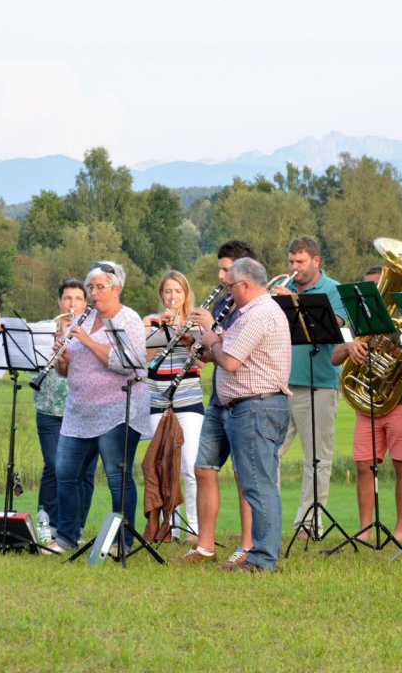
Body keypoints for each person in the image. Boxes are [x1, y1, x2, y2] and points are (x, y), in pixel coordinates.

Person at [187, 257, 292, 572]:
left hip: (256, 406)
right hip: (243, 405)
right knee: (254, 482)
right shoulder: (248, 313)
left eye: (231, 286)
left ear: (246, 284)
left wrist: (211, 338)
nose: (227, 292)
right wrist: (210, 348)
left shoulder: (258, 314)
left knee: (258, 484)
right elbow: (229, 356)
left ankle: (262, 558)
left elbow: (230, 361)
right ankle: (259, 554)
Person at [51, 261, 151, 552]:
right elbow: (67, 370)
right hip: (79, 411)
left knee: (117, 477)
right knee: (66, 473)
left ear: (116, 288)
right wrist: (61, 360)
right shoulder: (82, 318)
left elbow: (129, 363)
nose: (94, 293)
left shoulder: (128, 319)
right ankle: (66, 537)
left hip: (117, 410)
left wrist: (87, 342)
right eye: (91, 287)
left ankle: (124, 541)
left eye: (100, 287)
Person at [172, 240, 256, 566]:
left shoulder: (252, 307)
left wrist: (209, 329)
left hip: (246, 398)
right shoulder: (224, 302)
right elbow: (216, 353)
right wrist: (198, 344)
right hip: (219, 396)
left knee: (243, 474)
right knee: (203, 468)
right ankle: (204, 546)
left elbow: (236, 350)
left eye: (226, 269)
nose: (221, 276)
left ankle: (247, 546)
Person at [330, 266, 402, 544]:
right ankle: (365, 529)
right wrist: (350, 347)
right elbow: (335, 358)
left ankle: (400, 530)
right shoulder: (359, 323)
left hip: (401, 403)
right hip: (367, 405)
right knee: (363, 466)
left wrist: (398, 348)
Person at [272, 235, 347, 537]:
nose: (294, 268)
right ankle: (269, 520)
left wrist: (291, 304)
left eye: (300, 262)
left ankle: (308, 524)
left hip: (319, 384)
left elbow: (337, 323)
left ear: (316, 261)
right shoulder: (284, 287)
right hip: (280, 383)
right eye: (291, 261)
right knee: (269, 454)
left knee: (315, 458)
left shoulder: (333, 289)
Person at [144, 269, 207, 541]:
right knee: (162, 466)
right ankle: (169, 525)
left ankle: (192, 527)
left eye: (177, 291)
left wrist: (186, 337)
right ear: (161, 294)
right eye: (168, 291)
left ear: (186, 295)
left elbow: (204, 362)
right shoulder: (149, 322)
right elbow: (142, 359)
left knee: (190, 465)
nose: (172, 296)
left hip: (188, 399)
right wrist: (159, 332)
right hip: (157, 399)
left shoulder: (197, 324)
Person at [31, 278, 96, 537]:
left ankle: (76, 527)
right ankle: (49, 523)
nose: (72, 304)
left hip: (84, 410)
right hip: (49, 408)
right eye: (67, 298)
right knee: (54, 465)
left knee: (85, 471)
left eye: (78, 299)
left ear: (85, 303)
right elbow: (30, 363)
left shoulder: (93, 331)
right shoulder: (43, 329)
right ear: (59, 301)